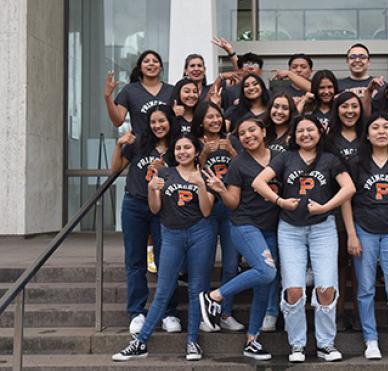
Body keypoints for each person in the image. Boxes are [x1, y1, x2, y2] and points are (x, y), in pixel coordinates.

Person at [252, 115, 356, 363]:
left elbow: (349, 188)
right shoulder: (285, 158)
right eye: (300, 131)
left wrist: (324, 207)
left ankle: (325, 344)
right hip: (290, 230)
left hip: (323, 228)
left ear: (320, 132)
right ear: (293, 135)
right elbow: (258, 182)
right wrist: (280, 201)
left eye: (311, 129)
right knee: (294, 289)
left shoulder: (330, 159)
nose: (306, 134)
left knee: (327, 287)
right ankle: (297, 344)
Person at [113, 133, 216, 362]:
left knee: (196, 289)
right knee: (163, 289)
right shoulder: (165, 173)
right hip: (171, 233)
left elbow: (207, 211)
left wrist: (200, 185)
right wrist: (152, 189)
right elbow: (155, 209)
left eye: (187, 147)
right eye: (178, 148)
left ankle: (192, 342)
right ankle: (140, 342)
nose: (182, 151)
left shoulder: (204, 175)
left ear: (196, 151)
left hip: (201, 233)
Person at [199, 117, 282, 360]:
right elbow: (233, 203)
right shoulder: (238, 164)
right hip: (245, 226)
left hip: (272, 228)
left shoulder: (279, 157)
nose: (248, 136)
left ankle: (252, 341)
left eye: (252, 130)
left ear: (263, 131)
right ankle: (213, 297)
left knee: (265, 285)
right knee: (267, 271)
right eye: (242, 133)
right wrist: (221, 189)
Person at [341, 113, 388, 362]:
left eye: (386, 127)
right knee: (365, 288)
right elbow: (346, 199)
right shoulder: (356, 162)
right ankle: (370, 339)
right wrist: (351, 234)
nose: (381, 131)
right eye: (375, 127)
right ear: (367, 133)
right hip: (364, 230)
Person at [110, 104, 181, 335]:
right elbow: (115, 168)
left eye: (162, 121)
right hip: (135, 205)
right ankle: (136, 312)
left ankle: (169, 312)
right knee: (135, 261)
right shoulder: (139, 143)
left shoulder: (178, 147)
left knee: (167, 262)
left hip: (165, 208)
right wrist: (119, 144)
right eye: (153, 122)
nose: (158, 126)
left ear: (170, 121)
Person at [191, 101, 245, 332]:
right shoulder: (193, 143)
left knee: (231, 264)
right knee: (204, 263)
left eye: (218, 116)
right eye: (209, 117)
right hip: (205, 208)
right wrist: (202, 154)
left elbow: (245, 168)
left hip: (230, 205)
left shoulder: (232, 140)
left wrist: (232, 151)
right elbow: (189, 173)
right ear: (201, 120)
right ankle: (204, 315)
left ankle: (225, 313)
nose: (214, 121)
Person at [326, 92, 365, 331]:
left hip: (366, 205)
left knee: (361, 264)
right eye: (344, 106)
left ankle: (361, 314)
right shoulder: (329, 139)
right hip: (336, 206)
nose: (350, 111)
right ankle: (339, 314)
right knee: (339, 263)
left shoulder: (366, 136)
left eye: (355, 106)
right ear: (336, 110)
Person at [104, 50, 174, 135]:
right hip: (139, 146)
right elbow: (117, 121)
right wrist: (108, 96)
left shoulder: (172, 90)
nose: (151, 63)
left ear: (161, 68)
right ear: (140, 68)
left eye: (155, 61)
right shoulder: (129, 90)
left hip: (166, 146)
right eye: (146, 61)